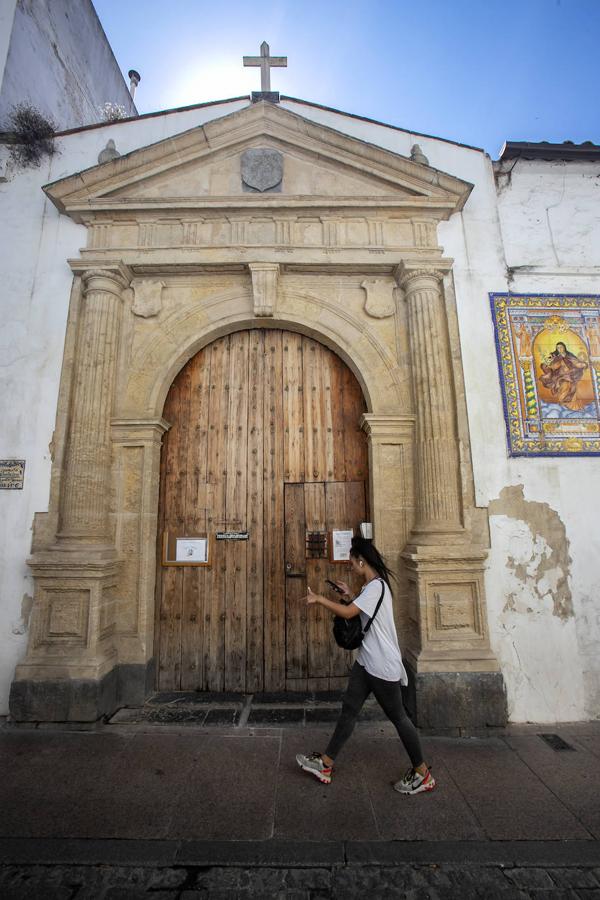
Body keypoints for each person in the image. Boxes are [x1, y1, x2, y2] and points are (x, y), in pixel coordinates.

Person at [296, 536, 435, 795]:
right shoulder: (370, 588)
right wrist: (349, 595)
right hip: (366, 662)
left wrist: (319, 600)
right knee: (349, 710)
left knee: (398, 717)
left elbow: (350, 614)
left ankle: (422, 772)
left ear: (362, 561)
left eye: (352, 563)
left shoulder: (376, 587)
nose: (351, 567)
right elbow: (359, 610)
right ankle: (325, 763)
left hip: (381, 665)